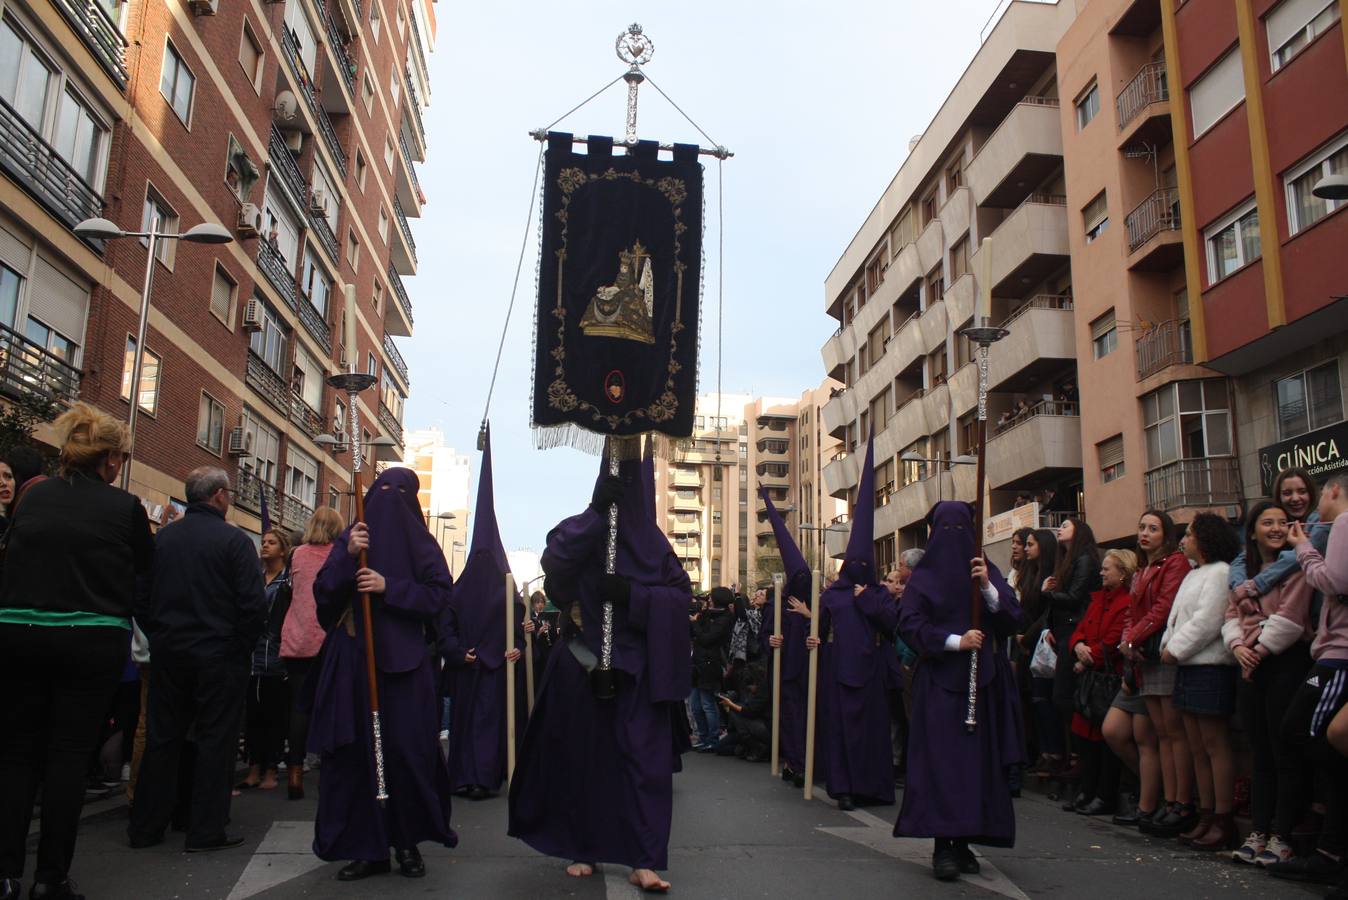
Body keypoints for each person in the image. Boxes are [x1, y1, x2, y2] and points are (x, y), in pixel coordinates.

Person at [508, 443, 692, 893]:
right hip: (585, 665)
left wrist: (635, 596)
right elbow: (555, 564)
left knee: (644, 767)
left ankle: (644, 858)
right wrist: (595, 513)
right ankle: (582, 846)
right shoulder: (584, 529)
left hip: (640, 674)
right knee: (583, 761)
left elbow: (680, 599)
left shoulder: (657, 547)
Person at [0, 404, 152, 900]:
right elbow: (145, 575)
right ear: (109, 459)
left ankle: (4, 874)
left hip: (19, 632)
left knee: (17, 755)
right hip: (90, 640)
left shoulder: (32, 498)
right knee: (67, 757)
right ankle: (50, 879)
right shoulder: (124, 508)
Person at [310, 467, 457, 881]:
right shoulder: (352, 537)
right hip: (353, 663)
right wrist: (345, 553)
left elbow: (440, 594)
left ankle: (406, 842)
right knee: (356, 757)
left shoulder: (422, 544)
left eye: (399, 491)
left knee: (407, 755)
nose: (389, 499)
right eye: (382, 490)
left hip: (405, 667)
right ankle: (366, 846)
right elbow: (323, 596)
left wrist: (389, 587)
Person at [128, 467, 266, 853]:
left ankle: (146, 827)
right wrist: (238, 646)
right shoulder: (234, 543)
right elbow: (253, 606)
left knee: (163, 738)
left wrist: (161, 635)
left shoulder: (164, 541)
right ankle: (204, 829)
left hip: (171, 653)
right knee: (214, 741)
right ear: (219, 496)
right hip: (219, 656)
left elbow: (140, 597)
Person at [894, 501, 1023, 882]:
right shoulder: (924, 577)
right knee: (942, 764)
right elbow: (909, 623)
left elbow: (1014, 617)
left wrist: (986, 588)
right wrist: (954, 640)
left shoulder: (985, 569)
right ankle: (942, 846)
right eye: (946, 529)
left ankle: (966, 841)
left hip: (983, 685)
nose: (954, 538)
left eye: (961, 528)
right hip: (939, 684)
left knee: (976, 766)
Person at [809, 436, 900, 811]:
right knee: (844, 731)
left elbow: (894, 625)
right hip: (839, 670)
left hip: (873, 671)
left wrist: (870, 603)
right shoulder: (832, 595)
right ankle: (844, 787)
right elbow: (820, 627)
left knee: (872, 732)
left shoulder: (877, 594)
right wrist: (813, 641)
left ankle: (872, 787)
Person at [1223, 501, 1313, 866]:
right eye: (1267, 522)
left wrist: (1256, 651)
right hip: (1249, 664)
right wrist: (1238, 648)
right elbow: (1229, 614)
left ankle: (1283, 835)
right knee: (1260, 752)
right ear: (1253, 530)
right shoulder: (1243, 572)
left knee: (1283, 750)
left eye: (1282, 522)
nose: (1276, 528)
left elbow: (1291, 618)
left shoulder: (1295, 568)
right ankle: (1258, 832)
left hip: (1284, 663)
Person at [1273, 471, 1348, 890]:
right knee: (1312, 737)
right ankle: (1329, 846)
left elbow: (1333, 581)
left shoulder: (1344, 522)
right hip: (1331, 650)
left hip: (1339, 655)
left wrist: (1303, 548)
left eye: (1318, 494)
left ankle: (1329, 837)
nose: (1314, 503)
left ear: (1334, 490)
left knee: (1301, 732)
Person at [443, 434, 526, 800]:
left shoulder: (505, 592)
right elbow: (445, 626)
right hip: (471, 667)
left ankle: (484, 775)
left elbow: (519, 631)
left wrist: (517, 647)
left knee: (487, 723)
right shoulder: (460, 592)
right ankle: (466, 774)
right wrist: (458, 652)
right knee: (467, 723)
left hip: (490, 670)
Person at [1159, 513, 1241, 851]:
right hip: (1187, 666)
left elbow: (1208, 620)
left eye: (1189, 534)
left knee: (1214, 745)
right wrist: (1168, 643)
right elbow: (1176, 618)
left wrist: (1174, 649)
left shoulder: (1220, 572)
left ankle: (1223, 818)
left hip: (1209, 668)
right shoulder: (1194, 574)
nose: (1184, 540)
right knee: (1196, 747)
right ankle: (1205, 814)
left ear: (1205, 539)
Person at [1121, 509, 1195, 837]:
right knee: (1162, 734)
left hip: (1161, 651)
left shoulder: (1174, 563)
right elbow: (1132, 610)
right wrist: (1128, 641)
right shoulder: (1142, 569)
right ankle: (1168, 801)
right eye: (1142, 527)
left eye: (1153, 528)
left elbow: (1164, 607)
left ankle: (1181, 803)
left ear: (1166, 534)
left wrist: (1133, 637)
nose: (1145, 533)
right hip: (1143, 656)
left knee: (1173, 731)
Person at [1063, 549, 1135, 816]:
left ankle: (1104, 794)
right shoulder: (1097, 599)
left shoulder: (1125, 602)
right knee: (1085, 739)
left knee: (1104, 741)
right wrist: (1078, 646)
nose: (1102, 572)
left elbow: (1115, 640)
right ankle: (1087, 789)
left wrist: (1087, 656)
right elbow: (1080, 629)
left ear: (1122, 573)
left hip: (1107, 678)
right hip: (1090, 676)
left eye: (1107, 569)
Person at [282, 507, 344, 801]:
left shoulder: (296, 554)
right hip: (327, 639)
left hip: (296, 638)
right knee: (329, 704)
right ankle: (328, 771)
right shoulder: (339, 556)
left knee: (298, 706)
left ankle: (294, 770)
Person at [761, 487, 813, 788]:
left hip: (808, 673)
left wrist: (810, 618)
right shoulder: (776, 607)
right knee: (790, 718)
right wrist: (771, 642)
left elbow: (826, 632)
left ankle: (806, 762)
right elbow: (764, 634)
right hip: (785, 673)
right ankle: (794, 762)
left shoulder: (816, 606)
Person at [1229, 467, 1331, 616]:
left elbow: (1298, 556)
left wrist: (1255, 585)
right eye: (1287, 493)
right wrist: (1240, 590)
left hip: (1318, 620)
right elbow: (1240, 561)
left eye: (1302, 491)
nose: (1295, 498)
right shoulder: (1284, 528)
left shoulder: (1319, 522)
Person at [237, 530, 293, 793]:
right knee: (253, 714)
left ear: (283, 550)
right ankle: (254, 767)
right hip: (251, 653)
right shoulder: (256, 578)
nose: (265, 546)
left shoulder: (287, 581)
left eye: (272, 543)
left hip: (276, 653)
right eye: (264, 542)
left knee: (274, 713)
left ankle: (271, 767)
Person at [1043, 519, 1102, 742]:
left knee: (1064, 695)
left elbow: (1074, 597)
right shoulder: (1067, 561)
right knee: (1062, 695)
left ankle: (1079, 751)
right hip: (1063, 629)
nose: (1060, 529)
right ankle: (1076, 753)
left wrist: (1046, 593)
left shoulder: (1084, 560)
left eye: (1066, 525)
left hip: (1075, 630)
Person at [1020, 528, 1062, 774]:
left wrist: (1027, 637)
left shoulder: (1051, 576)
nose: (1026, 548)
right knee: (1036, 701)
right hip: (1028, 643)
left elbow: (1045, 612)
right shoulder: (1030, 575)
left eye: (1030, 544)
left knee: (1045, 699)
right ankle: (1043, 751)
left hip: (1042, 642)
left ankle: (1053, 752)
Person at [690, 587, 735, 751]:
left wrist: (695, 624)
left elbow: (707, 639)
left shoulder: (725, 619)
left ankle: (712, 738)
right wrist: (699, 617)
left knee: (707, 703)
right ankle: (703, 736)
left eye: (711, 598)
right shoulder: (708, 614)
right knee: (695, 705)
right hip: (697, 663)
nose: (708, 600)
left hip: (711, 664)